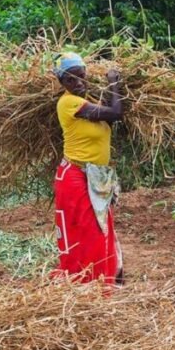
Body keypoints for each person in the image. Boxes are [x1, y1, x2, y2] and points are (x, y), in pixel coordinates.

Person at [52, 52, 124, 288]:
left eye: (81, 76)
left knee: (101, 229)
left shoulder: (90, 98)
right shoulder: (68, 103)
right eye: (70, 80)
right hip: (75, 177)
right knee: (88, 232)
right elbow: (115, 113)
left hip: (96, 176)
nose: (78, 83)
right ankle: (87, 287)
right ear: (62, 83)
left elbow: (110, 118)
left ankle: (105, 281)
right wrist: (114, 82)